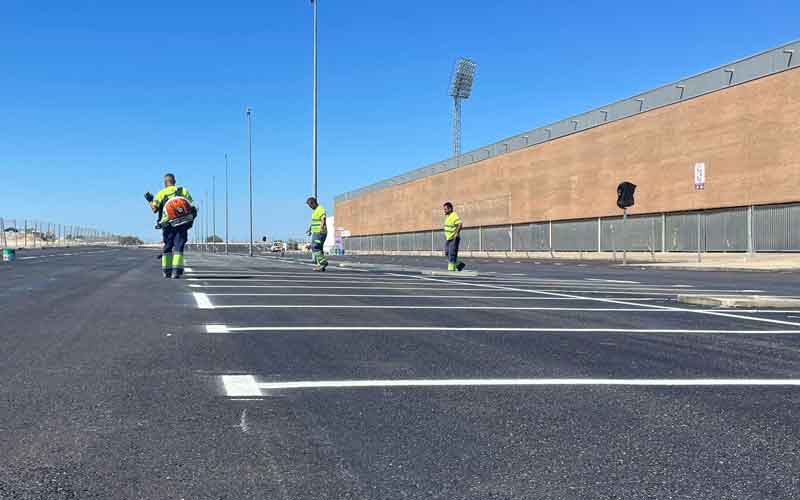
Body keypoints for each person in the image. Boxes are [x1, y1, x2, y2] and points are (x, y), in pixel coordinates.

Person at [145, 173, 195, 279]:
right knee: (179, 247)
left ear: (165, 183)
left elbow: (154, 209)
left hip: (167, 224)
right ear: (174, 182)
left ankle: (167, 271)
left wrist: (150, 200)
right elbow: (192, 206)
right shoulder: (183, 191)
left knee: (168, 247)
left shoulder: (161, 193)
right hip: (182, 223)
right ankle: (176, 271)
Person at [306, 196, 329, 272]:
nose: (310, 207)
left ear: (313, 203)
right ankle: (320, 266)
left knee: (315, 247)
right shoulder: (315, 212)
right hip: (315, 232)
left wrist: (321, 228)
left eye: (310, 205)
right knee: (319, 249)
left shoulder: (320, 209)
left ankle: (323, 262)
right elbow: (313, 222)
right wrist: (309, 229)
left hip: (319, 232)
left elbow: (323, 218)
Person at [443, 201, 466, 272]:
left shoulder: (454, 215)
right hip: (448, 239)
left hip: (454, 238)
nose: (444, 210)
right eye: (444, 209)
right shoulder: (447, 216)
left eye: (446, 209)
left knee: (452, 254)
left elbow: (460, 224)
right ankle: (459, 265)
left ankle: (451, 269)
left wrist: (456, 233)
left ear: (450, 209)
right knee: (447, 252)